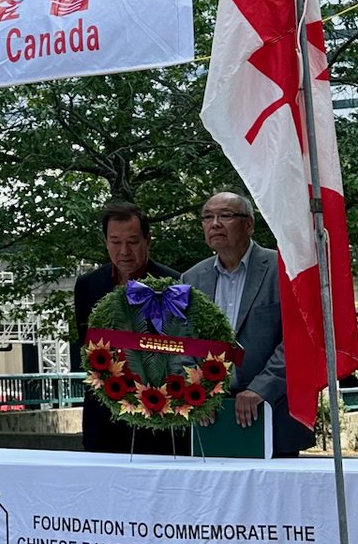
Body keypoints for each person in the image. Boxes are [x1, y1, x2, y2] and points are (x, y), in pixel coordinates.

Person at [183, 192, 313, 457]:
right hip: (211, 417)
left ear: (249, 225)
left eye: (225, 215)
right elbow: (182, 342)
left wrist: (260, 388)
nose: (215, 223)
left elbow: (300, 339)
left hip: (274, 412)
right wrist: (197, 390)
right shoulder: (192, 278)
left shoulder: (285, 269)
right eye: (208, 217)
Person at [72, 201, 183, 453]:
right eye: (115, 241)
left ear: (148, 240)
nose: (124, 251)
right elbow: (86, 346)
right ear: (105, 241)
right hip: (103, 416)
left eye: (132, 242)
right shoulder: (88, 285)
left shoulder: (175, 284)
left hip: (158, 414)